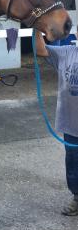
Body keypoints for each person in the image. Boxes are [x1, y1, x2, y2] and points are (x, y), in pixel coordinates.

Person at [35, 30, 78, 215]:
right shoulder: (66, 52)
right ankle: (77, 198)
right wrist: (36, 29)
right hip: (71, 123)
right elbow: (41, 50)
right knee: (73, 161)